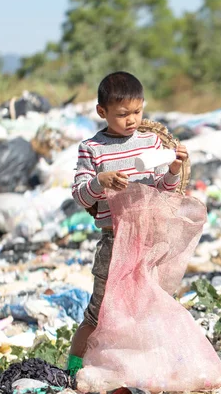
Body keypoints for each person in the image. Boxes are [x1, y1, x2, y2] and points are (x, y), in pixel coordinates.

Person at [67, 71, 188, 377]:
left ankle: (147, 367)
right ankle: (72, 367)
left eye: (137, 111)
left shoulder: (150, 142)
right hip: (114, 239)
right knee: (100, 309)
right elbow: (81, 196)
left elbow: (165, 189)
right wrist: (100, 181)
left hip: (149, 239)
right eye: (122, 114)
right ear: (102, 112)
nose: (131, 120)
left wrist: (173, 168)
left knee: (149, 306)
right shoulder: (92, 149)